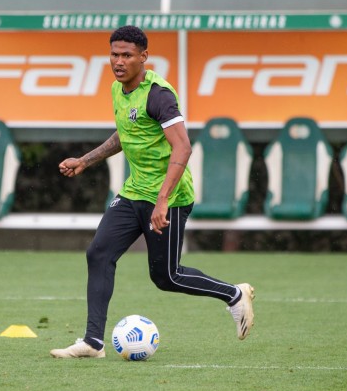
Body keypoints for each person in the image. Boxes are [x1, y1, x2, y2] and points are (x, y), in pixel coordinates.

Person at [50, 26, 254, 359]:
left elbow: (183, 148)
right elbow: (125, 134)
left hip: (169, 198)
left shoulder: (159, 94)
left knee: (166, 276)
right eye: (114, 54)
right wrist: (86, 161)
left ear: (143, 57)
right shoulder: (118, 89)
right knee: (98, 253)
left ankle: (233, 294)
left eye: (127, 55)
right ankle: (93, 342)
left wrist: (161, 202)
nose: (119, 62)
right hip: (133, 193)